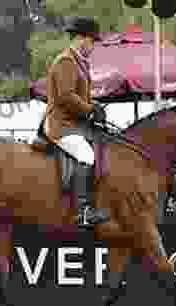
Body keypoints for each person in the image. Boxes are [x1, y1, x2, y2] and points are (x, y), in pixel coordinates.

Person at [31, 16, 110, 226]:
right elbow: (66, 96)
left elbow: (80, 96)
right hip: (60, 124)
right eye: (93, 42)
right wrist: (90, 109)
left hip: (73, 123)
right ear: (82, 38)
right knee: (86, 156)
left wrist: (96, 106)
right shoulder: (66, 61)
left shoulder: (78, 62)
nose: (93, 47)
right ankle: (83, 211)